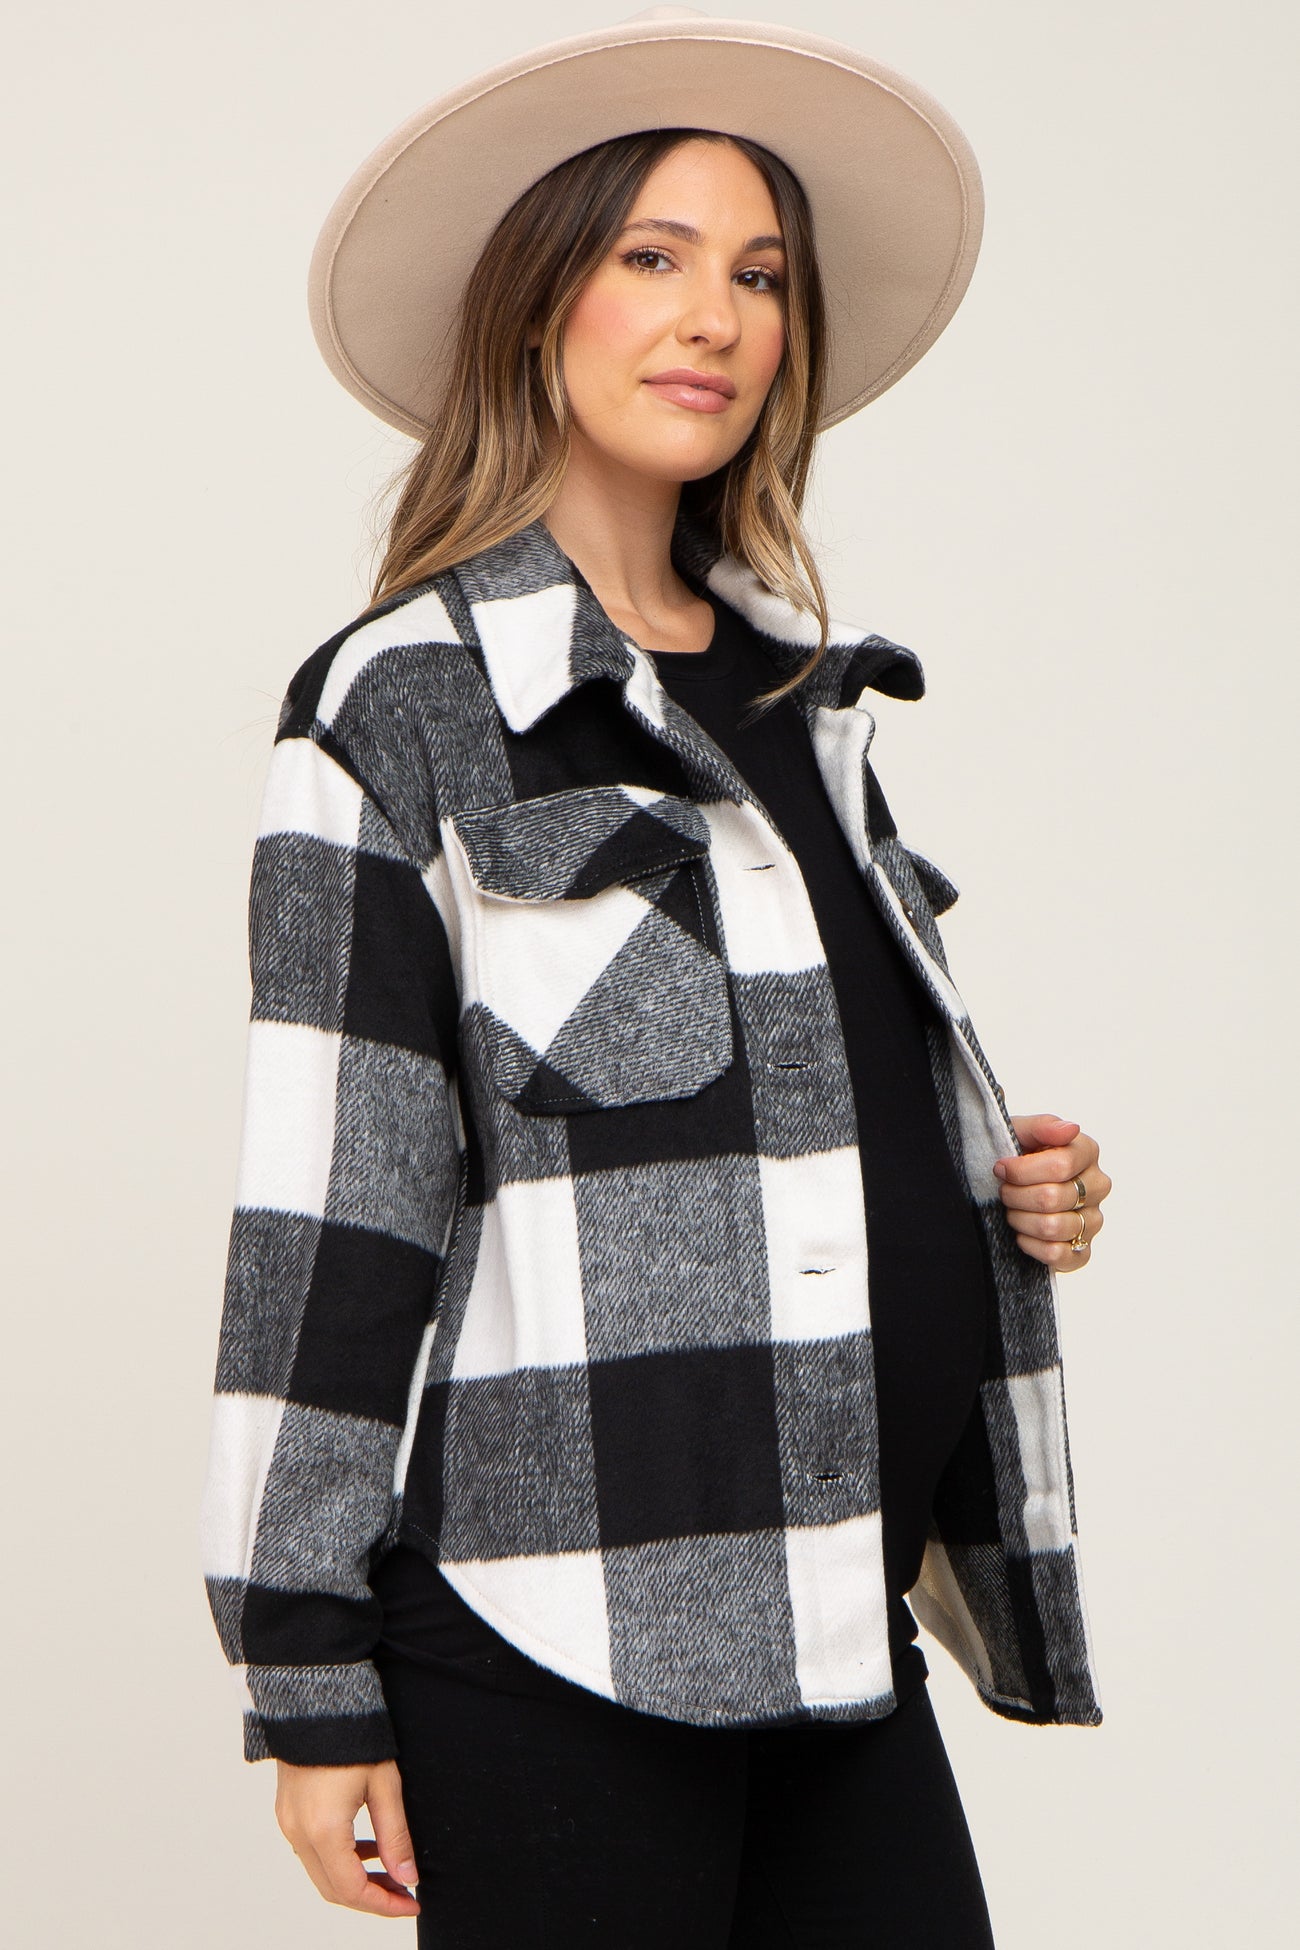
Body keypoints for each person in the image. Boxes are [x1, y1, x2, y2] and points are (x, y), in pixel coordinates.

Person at [198, 11, 1112, 1944]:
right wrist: (307, 1675)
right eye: (655, 255)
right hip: (556, 1647)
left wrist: (1005, 1189)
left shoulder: (808, 697)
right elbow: (335, 1214)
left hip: (837, 1615)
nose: (716, 316)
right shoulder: (402, 707)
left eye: (760, 275)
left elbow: (798, 1117)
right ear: (542, 296)